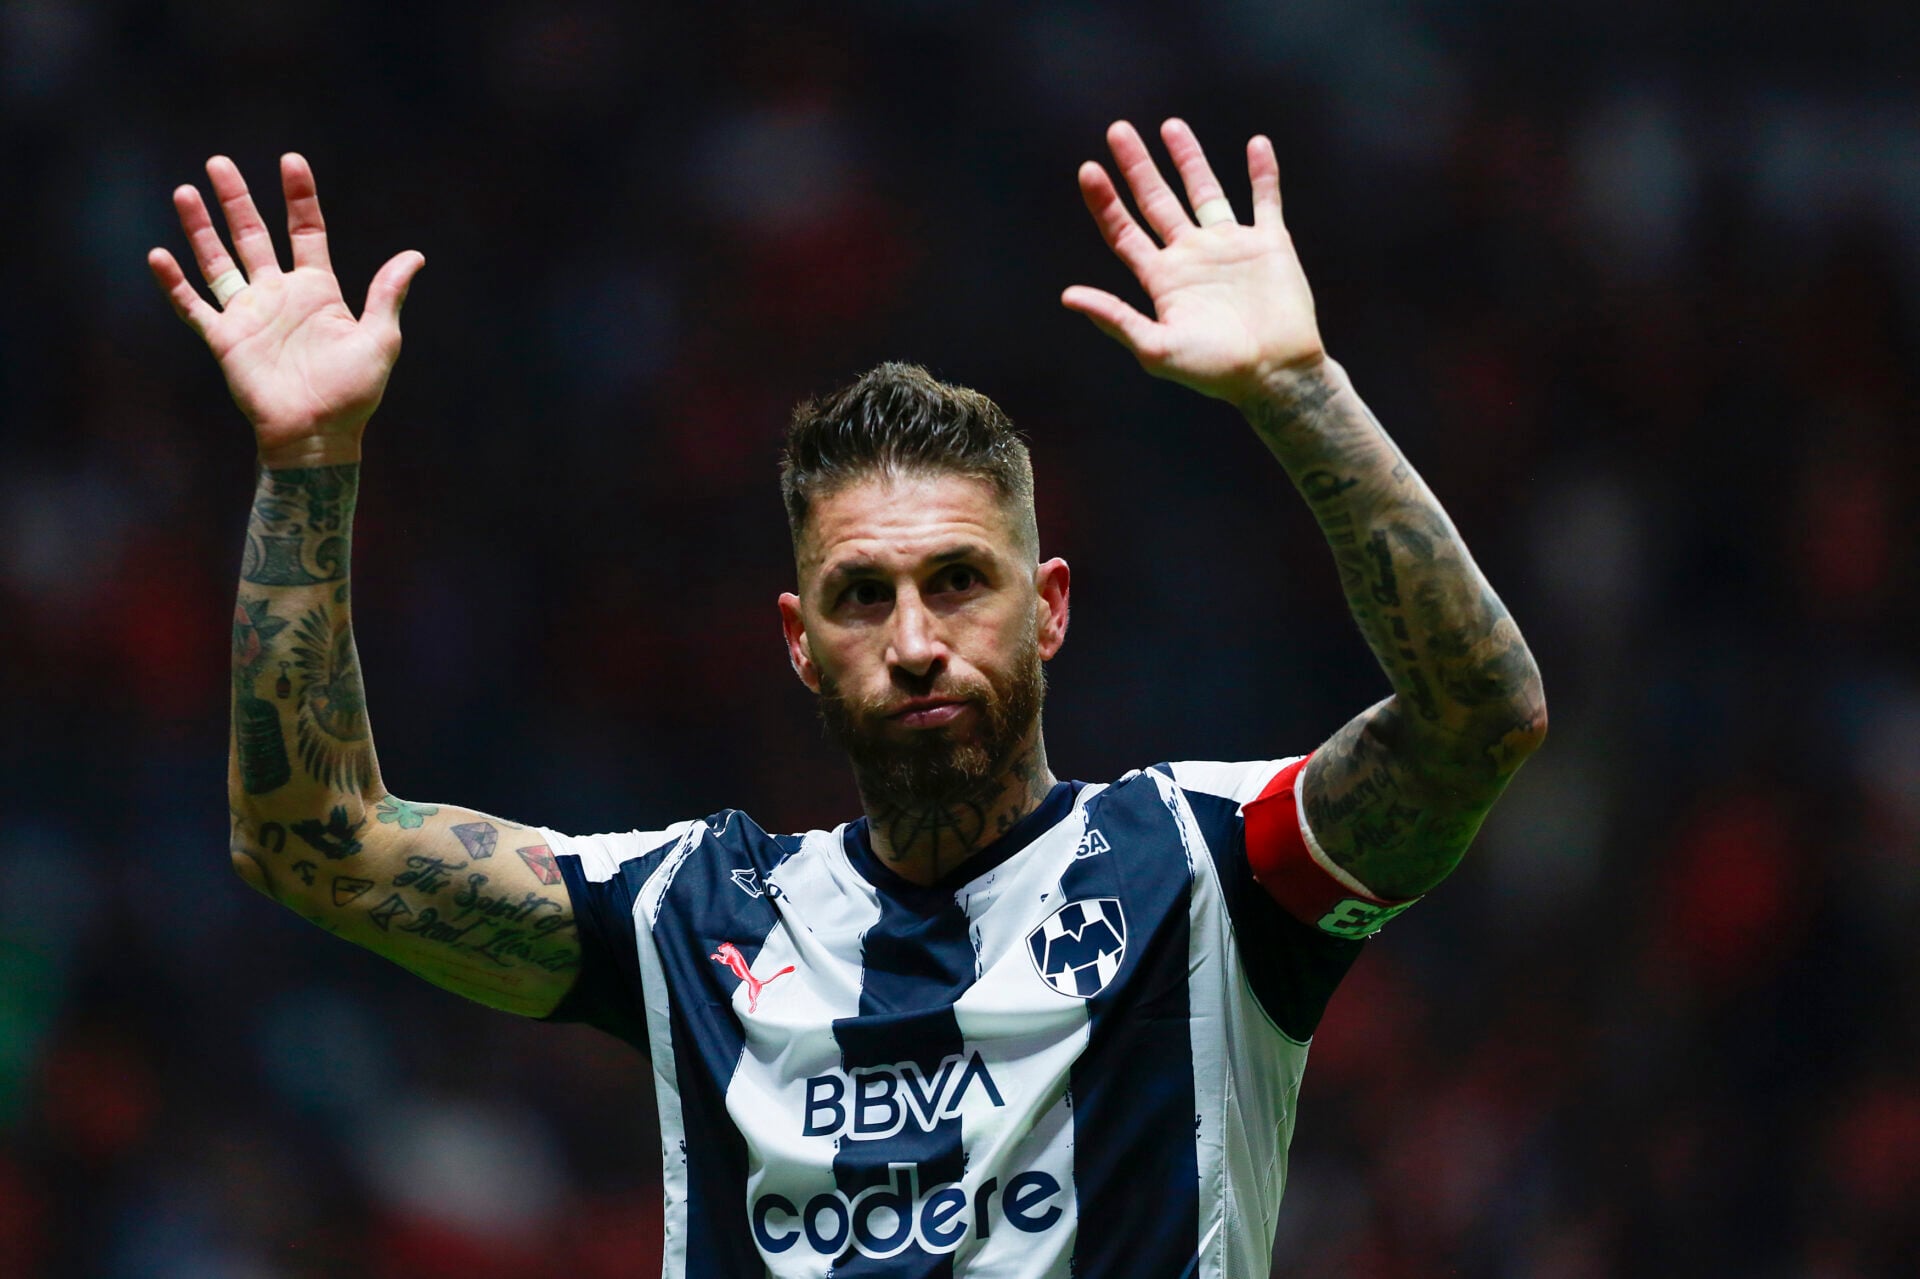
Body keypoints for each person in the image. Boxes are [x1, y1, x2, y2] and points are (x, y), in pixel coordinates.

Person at [152, 118, 1545, 1276]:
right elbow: (312, 841)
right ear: (800, 643)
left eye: (960, 582)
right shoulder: (695, 920)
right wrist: (309, 459)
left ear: (1051, 607)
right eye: (863, 596)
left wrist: (1299, 387)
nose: (918, 639)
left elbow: (1481, 718)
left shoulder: (1203, 870)